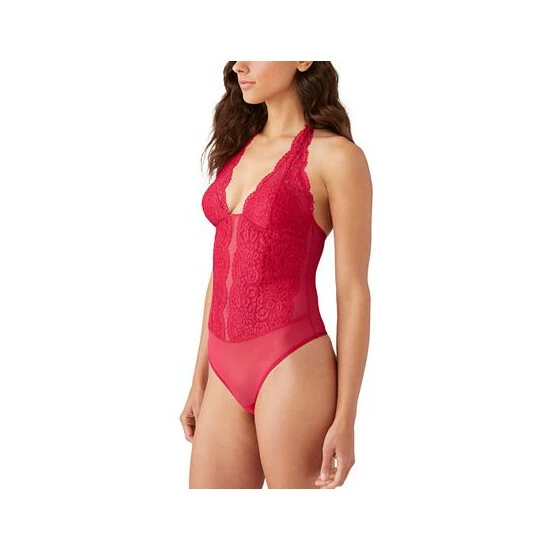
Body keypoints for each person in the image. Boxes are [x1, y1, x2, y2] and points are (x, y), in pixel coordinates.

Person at [181, 61, 372, 489]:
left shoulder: (337, 157)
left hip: (291, 364)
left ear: (303, 58)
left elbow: (353, 291)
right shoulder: (239, 147)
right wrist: (199, 377)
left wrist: (346, 417)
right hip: (222, 369)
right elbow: (223, 270)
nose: (239, 64)